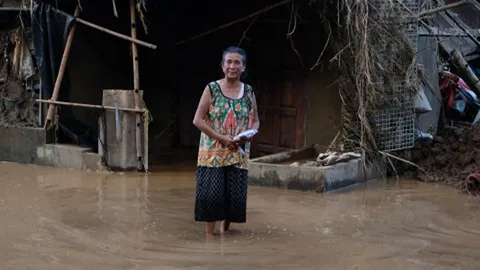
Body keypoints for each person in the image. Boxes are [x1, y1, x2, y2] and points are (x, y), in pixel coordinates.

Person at [192, 46, 260, 235]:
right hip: (213, 152)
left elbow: (255, 119)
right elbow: (197, 119)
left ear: (243, 67)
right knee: (212, 196)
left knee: (234, 196)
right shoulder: (211, 89)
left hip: (238, 152)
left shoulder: (248, 92)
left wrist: (248, 135)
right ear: (222, 66)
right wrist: (222, 138)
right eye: (228, 62)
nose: (232, 66)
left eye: (237, 62)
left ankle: (224, 232)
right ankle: (210, 236)